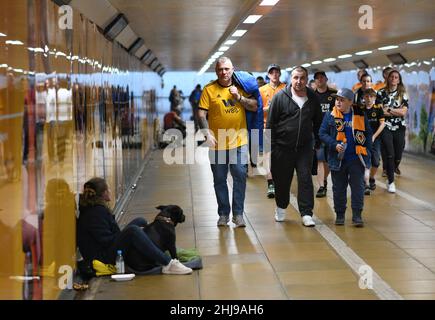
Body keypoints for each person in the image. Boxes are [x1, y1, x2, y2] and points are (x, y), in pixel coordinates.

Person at [76, 177, 192, 274]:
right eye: (108, 189)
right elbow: (106, 241)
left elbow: (109, 237)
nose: (110, 191)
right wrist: (128, 238)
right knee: (133, 231)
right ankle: (168, 264)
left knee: (140, 221)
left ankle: (149, 247)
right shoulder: (96, 213)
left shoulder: (96, 209)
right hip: (104, 258)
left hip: (106, 249)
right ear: (104, 193)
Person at [198, 57, 258, 228]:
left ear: (233, 69)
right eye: (220, 70)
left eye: (226, 69)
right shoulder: (209, 89)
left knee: (240, 177)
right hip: (217, 143)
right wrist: (206, 133)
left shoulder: (242, 87)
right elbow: (201, 114)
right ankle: (223, 213)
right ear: (216, 71)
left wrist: (239, 97)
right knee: (219, 179)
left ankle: (238, 214)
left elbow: (254, 106)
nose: (223, 72)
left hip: (239, 141)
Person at [266, 66, 322, 227]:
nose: (299, 81)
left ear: (306, 79)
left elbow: (318, 121)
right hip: (282, 148)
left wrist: (317, 142)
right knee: (282, 181)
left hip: (304, 148)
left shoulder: (312, 97)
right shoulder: (280, 97)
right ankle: (281, 207)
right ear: (291, 79)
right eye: (296, 78)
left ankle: (306, 213)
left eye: (302, 78)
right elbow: (270, 124)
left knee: (305, 179)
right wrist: (270, 149)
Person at [319, 88, 372, 227]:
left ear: (350, 102)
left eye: (342, 100)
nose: (338, 102)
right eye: (337, 99)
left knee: (358, 188)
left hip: (356, 158)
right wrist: (334, 144)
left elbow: (368, 136)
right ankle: (340, 214)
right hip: (337, 159)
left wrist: (368, 155)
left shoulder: (360, 115)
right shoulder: (330, 115)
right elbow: (322, 133)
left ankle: (357, 215)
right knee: (338, 188)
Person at [376, 69, 408, 193]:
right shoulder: (381, 93)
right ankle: (391, 181)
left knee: (398, 155)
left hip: (399, 127)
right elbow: (380, 111)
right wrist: (396, 110)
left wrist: (388, 110)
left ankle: (392, 169)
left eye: (396, 77)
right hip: (385, 126)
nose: (394, 79)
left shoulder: (402, 94)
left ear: (399, 80)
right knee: (390, 154)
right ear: (388, 78)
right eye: (392, 77)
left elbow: (403, 112)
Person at [259, 64, 286, 198]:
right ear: (268, 75)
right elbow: (258, 110)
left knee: (282, 156)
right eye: (272, 72)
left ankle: (280, 180)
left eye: (277, 72)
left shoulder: (286, 88)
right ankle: (270, 183)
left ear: (280, 74)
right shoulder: (261, 90)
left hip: (284, 128)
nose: (274, 74)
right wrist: (267, 109)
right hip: (267, 127)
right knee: (267, 155)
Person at [313, 71, 337, 198]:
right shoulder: (311, 95)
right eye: (317, 78)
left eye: (322, 77)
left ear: (326, 79)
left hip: (332, 131)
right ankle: (322, 186)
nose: (320, 80)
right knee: (320, 159)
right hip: (318, 132)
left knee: (329, 160)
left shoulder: (333, 94)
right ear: (314, 81)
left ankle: (325, 179)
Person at [362, 88, 385, 195]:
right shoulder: (360, 109)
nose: (369, 99)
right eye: (367, 96)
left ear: (375, 98)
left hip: (375, 139)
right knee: (366, 162)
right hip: (363, 139)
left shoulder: (378, 109)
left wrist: (374, 136)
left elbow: (382, 124)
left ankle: (371, 178)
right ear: (363, 98)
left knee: (375, 161)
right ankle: (365, 184)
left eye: (371, 97)